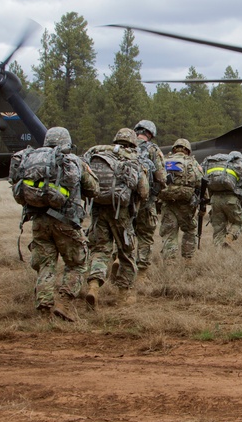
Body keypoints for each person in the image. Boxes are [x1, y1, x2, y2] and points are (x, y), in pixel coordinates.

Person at [10, 126, 98, 320]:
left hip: (39, 220)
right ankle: (65, 303)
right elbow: (93, 189)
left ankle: (44, 309)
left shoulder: (32, 160)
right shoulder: (73, 161)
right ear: (67, 142)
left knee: (45, 265)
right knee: (77, 264)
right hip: (66, 222)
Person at [83, 128, 149, 307]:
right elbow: (143, 191)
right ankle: (124, 295)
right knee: (126, 252)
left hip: (98, 210)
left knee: (100, 250)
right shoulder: (133, 158)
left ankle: (94, 286)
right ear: (133, 143)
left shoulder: (98, 153)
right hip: (121, 212)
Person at [158, 138, 204, 260]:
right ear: (188, 151)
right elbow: (200, 181)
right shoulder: (192, 162)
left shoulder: (164, 161)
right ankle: (187, 260)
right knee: (189, 231)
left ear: (174, 149)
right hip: (186, 204)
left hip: (167, 203)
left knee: (169, 233)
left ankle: (169, 263)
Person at [132, 120, 166, 275]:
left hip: (124, 201)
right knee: (145, 236)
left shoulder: (124, 147)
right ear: (150, 134)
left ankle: (119, 260)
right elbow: (161, 176)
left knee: (125, 233)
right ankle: (141, 273)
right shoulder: (153, 150)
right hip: (146, 201)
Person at [205, 151, 242, 247]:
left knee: (218, 227)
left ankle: (219, 252)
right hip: (231, 199)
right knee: (238, 222)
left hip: (215, 200)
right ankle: (230, 236)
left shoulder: (215, 167)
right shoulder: (239, 166)